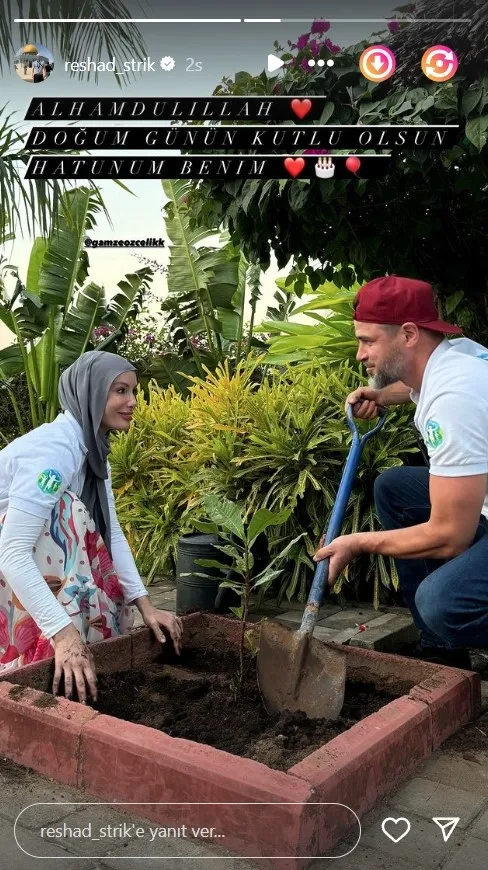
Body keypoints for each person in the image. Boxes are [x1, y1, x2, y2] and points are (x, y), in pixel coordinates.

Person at [314, 275, 488, 669]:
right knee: (394, 488)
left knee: (443, 603)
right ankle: (440, 650)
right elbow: (417, 387)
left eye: (368, 341)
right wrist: (380, 394)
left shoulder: (454, 398)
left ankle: (443, 628)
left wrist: (358, 543)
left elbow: (451, 536)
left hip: (465, 523)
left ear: (409, 334)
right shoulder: (457, 355)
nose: (360, 354)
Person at [0, 351, 183, 703]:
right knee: (66, 511)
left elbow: (111, 531)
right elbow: (13, 551)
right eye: (120, 390)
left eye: (133, 391)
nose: (132, 401)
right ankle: (40, 660)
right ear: (91, 393)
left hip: (18, 565)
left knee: (78, 517)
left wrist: (146, 606)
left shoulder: (92, 450)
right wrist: (63, 634)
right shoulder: (54, 452)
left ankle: (79, 650)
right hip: (9, 564)